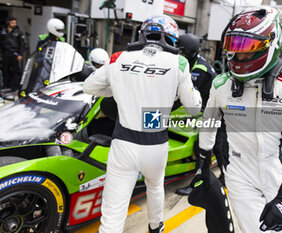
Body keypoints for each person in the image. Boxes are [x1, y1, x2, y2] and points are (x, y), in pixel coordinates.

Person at [191, 7, 282, 233]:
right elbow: (208, 125)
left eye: (248, 49)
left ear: (271, 43)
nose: (240, 56)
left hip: (276, 174)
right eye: (235, 48)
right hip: (239, 174)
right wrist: (202, 165)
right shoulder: (221, 85)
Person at [83, 15, 201, 233]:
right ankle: (156, 226)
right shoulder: (180, 62)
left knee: (113, 211)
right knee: (155, 186)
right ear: (173, 38)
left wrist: (120, 89)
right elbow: (194, 108)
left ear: (143, 34)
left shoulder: (119, 57)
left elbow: (89, 87)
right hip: (156, 144)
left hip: (123, 143)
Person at [174, 33, 225, 196]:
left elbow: (183, 97)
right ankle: (225, 177)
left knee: (208, 146)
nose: (178, 53)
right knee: (216, 146)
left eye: (181, 51)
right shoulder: (190, 64)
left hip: (219, 110)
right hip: (210, 108)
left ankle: (199, 184)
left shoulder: (199, 70)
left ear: (190, 51)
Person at [0, 17, 25, 93]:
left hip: (15, 54)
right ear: (8, 23)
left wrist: (20, 54)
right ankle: (6, 86)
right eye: (12, 23)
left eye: (15, 23)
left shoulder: (18, 32)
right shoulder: (3, 31)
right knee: (5, 71)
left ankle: (15, 88)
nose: (14, 24)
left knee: (15, 71)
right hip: (5, 54)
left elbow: (22, 44)